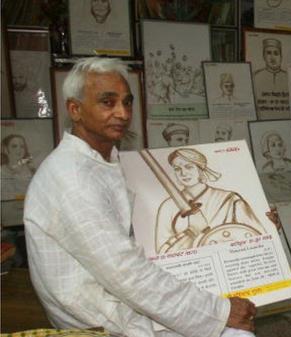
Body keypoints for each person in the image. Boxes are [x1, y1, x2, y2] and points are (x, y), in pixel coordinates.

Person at [23, 57, 257, 337]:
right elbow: (126, 273)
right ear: (75, 109)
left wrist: (261, 227)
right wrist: (218, 313)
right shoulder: (71, 178)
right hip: (102, 319)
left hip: (127, 296)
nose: (122, 113)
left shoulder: (103, 160)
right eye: (108, 102)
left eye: (127, 102)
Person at [155, 148, 266, 253]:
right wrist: (192, 232)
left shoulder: (231, 200)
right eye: (177, 169)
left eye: (189, 167)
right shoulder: (167, 206)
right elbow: (162, 252)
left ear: (200, 169)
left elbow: (260, 240)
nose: (183, 173)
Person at [1, 134, 36, 200]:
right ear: (5, 149)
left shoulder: (31, 170)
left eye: (22, 146)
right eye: (14, 146)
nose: (19, 150)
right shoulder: (1, 171)